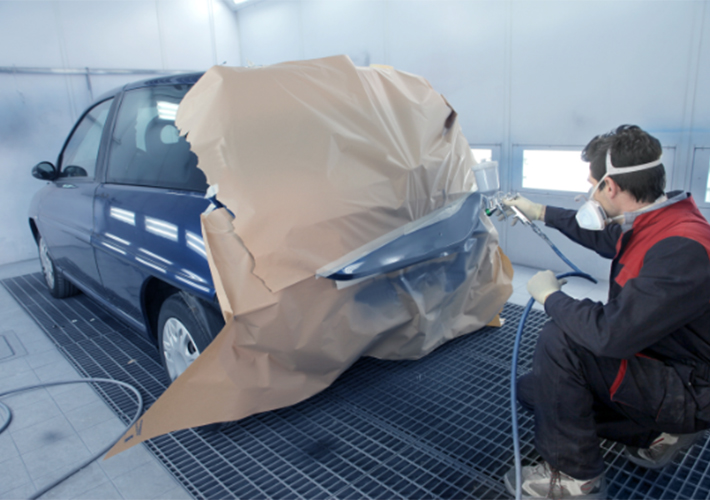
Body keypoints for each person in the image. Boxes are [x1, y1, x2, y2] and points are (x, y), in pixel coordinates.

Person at [501, 125, 710, 499]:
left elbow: (610, 335)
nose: (590, 192)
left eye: (592, 183)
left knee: (560, 338)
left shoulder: (682, 249)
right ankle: (660, 432)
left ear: (610, 187)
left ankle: (576, 478)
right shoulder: (661, 221)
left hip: (691, 388)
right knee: (535, 390)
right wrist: (541, 211)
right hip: (664, 364)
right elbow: (605, 237)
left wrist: (550, 297)